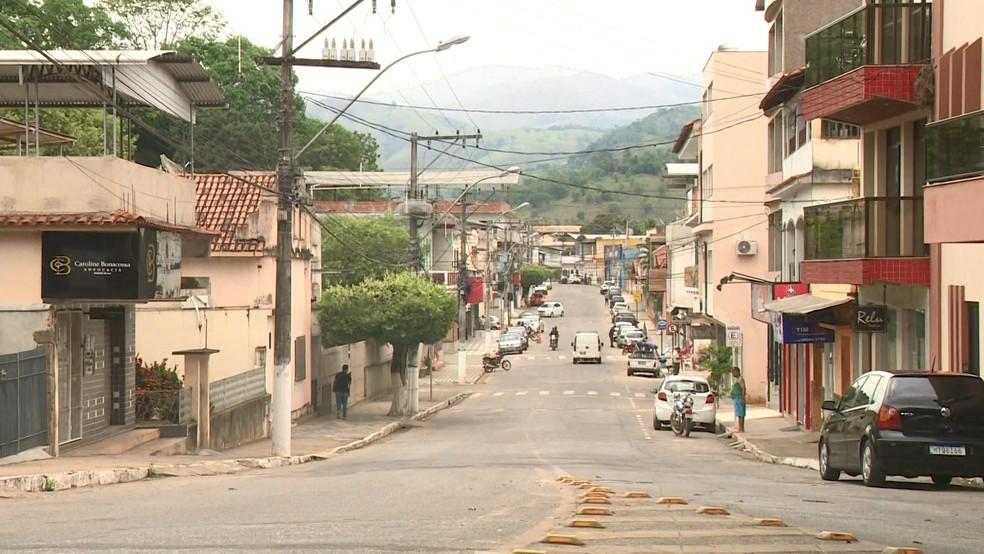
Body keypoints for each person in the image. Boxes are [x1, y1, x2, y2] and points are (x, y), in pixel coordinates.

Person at [730, 366, 747, 432]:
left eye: (733, 372)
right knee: (739, 414)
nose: (733, 374)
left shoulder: (740, 379)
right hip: (736, 398)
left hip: (739, 398)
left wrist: (743, 398)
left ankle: (741, 428)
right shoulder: (737, 379)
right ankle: (740, 428)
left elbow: (743, 388)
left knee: (740, 414)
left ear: (737, 372)